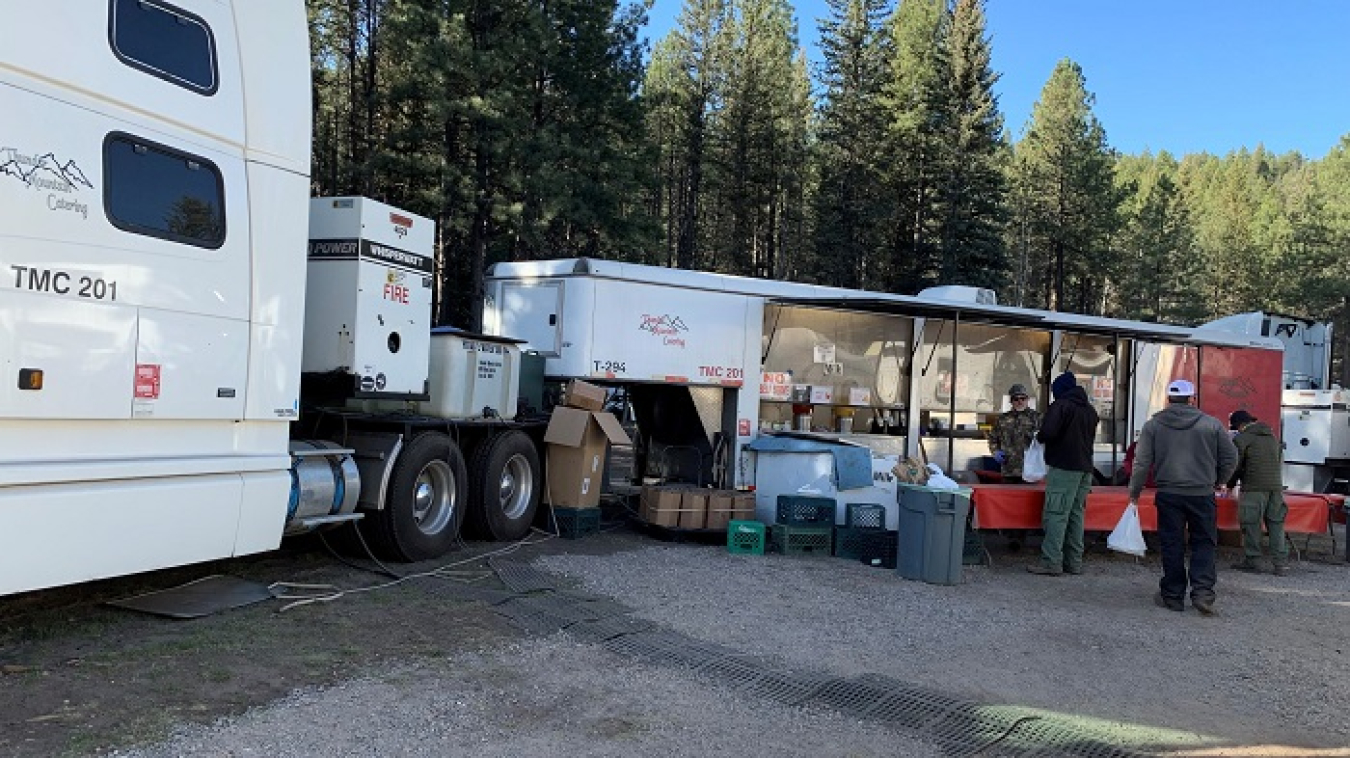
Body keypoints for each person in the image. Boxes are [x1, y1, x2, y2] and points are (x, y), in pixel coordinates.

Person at [1128, 379, 1237, 614]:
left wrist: (1134, 491)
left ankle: (1173, 596)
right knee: (1204, 543)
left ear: (1168, 399)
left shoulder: (1153, 425)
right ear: (1192, 398)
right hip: (1202, 493)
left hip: (1168, 494)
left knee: (1172, 543)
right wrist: (1219, 480)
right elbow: (1230, 457)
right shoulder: (1212, 425)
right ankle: (1203, 594)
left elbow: (1141, 462)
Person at [1027, 372, 1099, 576]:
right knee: (1076, 515)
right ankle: (1073, 562)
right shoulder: (1090, 410)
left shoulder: (1061, 406)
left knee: (1056, 515)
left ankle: (1051, 561)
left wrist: (1038, 437)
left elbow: (1047, 433)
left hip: (1064, 467)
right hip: (1085, 469)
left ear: (1059, 390)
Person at [1226, 410, 1289, 575]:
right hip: (1275, 487)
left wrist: (1230, 484)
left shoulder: (1242, 439)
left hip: (1254, 487)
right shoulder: (1272, 438)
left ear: (1240, 425)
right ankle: (1280, 563)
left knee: (1251, 524)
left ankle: (1253, 561)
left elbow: (1236, 466)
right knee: (1276, 524)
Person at [987, 383, 1041, 483]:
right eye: (1016, 399)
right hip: (1009, 469)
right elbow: (993, 438)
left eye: (1023, 398)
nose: (1020, 402)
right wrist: (995, 451)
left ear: (1027, 400)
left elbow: (1045, 439)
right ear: (1011, 401)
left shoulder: (1037, 418)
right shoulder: (1002, 419)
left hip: (1031, 470)